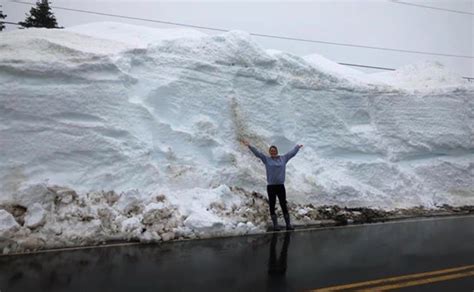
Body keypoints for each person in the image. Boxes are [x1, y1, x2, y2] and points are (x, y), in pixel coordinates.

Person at [241, 140, 303, 231]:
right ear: (270, 152)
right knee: (272, 205)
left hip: (281, 186)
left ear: (276, 151)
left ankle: (288, 224)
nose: (273, 152)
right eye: (271, 151)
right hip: (271, 187)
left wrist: (297, 147)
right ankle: (275, 225)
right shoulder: (267, 159)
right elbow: (258, 153)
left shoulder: (283, 158)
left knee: (283, 204)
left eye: (274, 151)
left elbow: (291, 154)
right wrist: (249, 146)